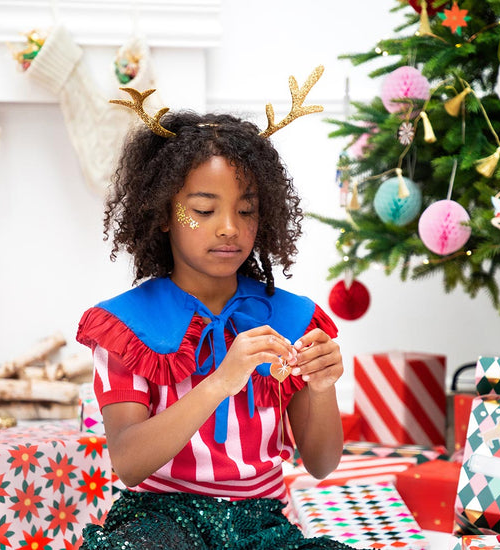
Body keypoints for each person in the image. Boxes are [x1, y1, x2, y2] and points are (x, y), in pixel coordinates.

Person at [76, 69, 349, 549]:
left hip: (261, 524)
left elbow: (322, 463)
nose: (228, 227)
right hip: (160, 521)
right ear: (164, 213)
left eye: (246, 211)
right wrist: (222, 380)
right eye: (203, 210)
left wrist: (323, 389)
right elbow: (129, 461)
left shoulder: (293, 318)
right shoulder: (126, 326)